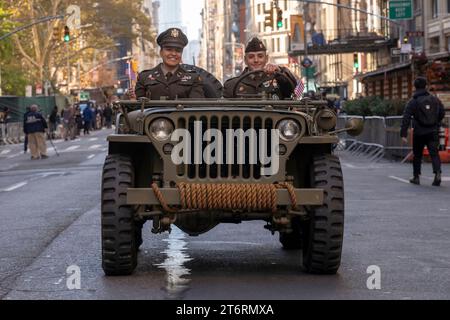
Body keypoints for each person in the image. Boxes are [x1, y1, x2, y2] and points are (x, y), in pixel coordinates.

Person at [133, 28, 204, 100]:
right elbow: (136, 107)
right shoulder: (144, 77)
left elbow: (196, 108)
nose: (173, 54)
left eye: (178, 50)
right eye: (169, 49)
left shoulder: (193, 78)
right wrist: (130, 99)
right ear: (161, 52)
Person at [401, 76, 445, 186]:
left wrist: (403, 133)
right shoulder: (435, 99)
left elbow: (406, 117)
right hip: (433, 131)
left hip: (419, 131)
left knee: (417, 154)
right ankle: (437, 173)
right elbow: (442, 112)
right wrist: (436, 122)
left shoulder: (413, 101)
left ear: (415, 87)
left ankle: (416, 177)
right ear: (426, 86)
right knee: (434, 153)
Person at [223, 37, 297, 99]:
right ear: (245, 60)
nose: (256, 60)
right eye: (251, 57)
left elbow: (298, 91)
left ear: (266, 59)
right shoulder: (232, 85)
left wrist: (280, 71)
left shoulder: (279, 79)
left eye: (260, 56)